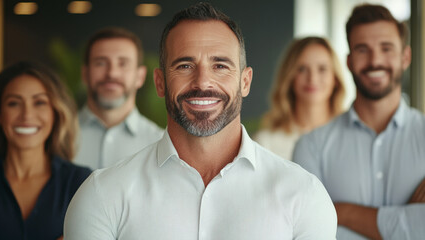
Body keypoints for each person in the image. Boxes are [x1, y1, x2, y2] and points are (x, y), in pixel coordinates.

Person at [64, 2, 336, 239]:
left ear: (245, 81)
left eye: (220, 65)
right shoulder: (102, 195)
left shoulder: (304, 195)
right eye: (184, 66)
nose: (203, 81)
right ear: (160, 83)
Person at [293, 4, 425, 240]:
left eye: (386, 48)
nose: (375, 60)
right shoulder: (312, 147)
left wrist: (343, 213)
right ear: (349, 61)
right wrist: (407, 220)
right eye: (363, 50)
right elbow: (307, 233)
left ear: (406, 57)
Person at [0, 61, 91, 240]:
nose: (27, 115)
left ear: (55, 112)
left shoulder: (80, 182)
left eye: (39, 102)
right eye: (13, 103)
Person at [74, 27, 163, 170]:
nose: (112, 73)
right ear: (85, 74)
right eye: (101, 63)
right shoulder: (57, 136)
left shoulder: (160, 143)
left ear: (140, 76)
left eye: (123, 63)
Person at [254, 36, 345, 160]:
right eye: (302, 69)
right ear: (290, 77)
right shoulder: (265, 143)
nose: (312, 78)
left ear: (335, 78)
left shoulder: (351, 137)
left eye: (322, 69)